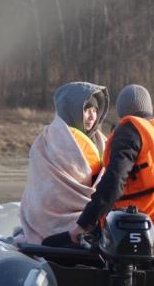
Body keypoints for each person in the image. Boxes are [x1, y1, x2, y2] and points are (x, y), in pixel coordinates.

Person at [69, 84, 154, 252]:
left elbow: (114, 183)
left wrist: (84, 224)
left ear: (122, 110)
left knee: (57, 242)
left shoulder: (129, 131)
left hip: (138, 227)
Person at [17, 82, 109, 244]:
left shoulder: (102, 142)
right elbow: (43, 192)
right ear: (72, 109)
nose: (92, 116)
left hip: (93, 216)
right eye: (86, 109)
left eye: (95, 110)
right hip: (48, 219)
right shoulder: (47, 141)